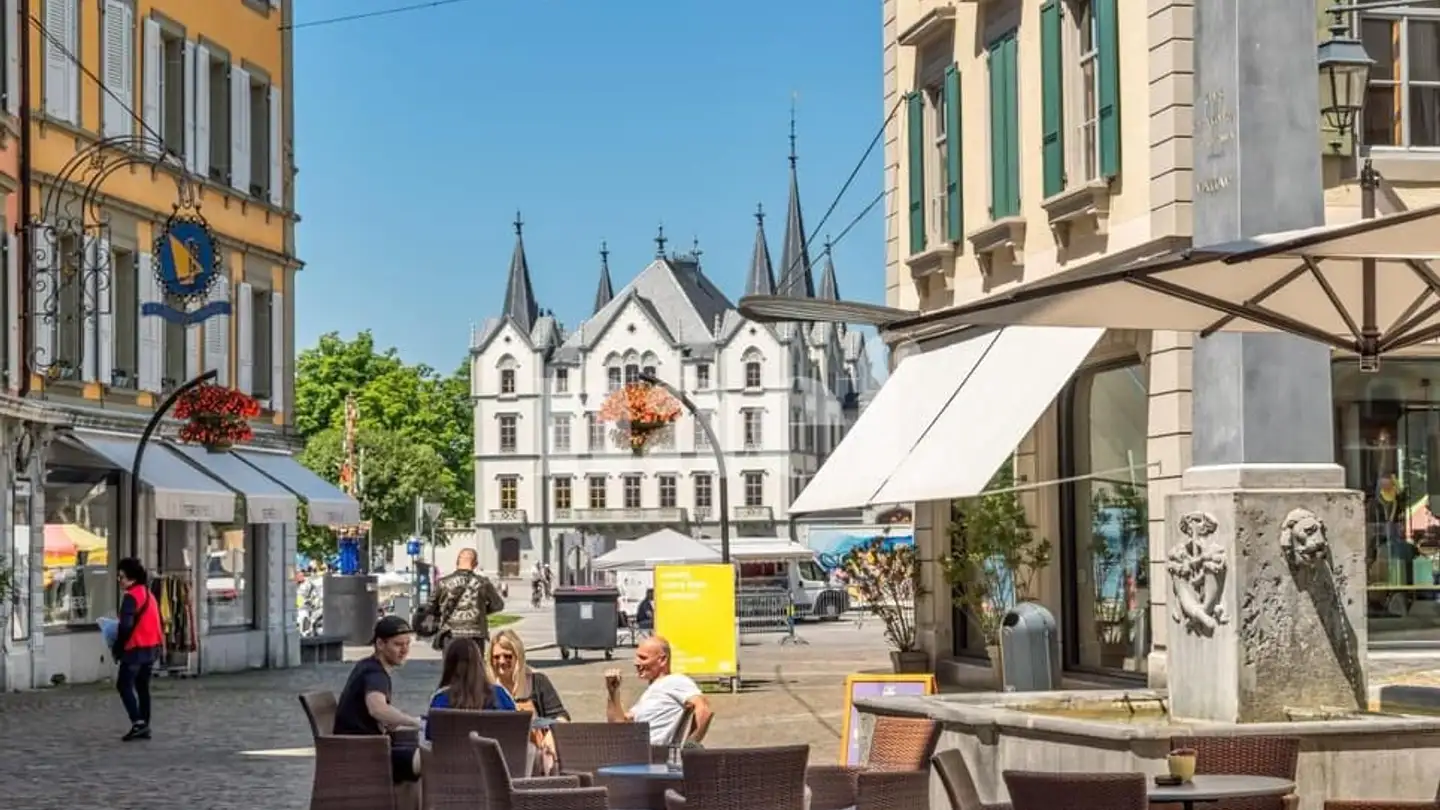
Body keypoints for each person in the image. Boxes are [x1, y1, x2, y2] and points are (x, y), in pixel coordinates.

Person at [333, 616, 424, 783]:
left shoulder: (366, 665)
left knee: (420, 751)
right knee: (430, 760)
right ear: (380, 644)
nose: (404, 650)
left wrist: (391, 721)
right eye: (398, 645)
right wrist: (417, 722)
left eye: (407, 644)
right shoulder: (375, 674)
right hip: (366, 755)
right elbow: (377, 708)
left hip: (359, 749)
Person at [604, 636, 712, 746]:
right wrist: (613, 692)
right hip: (635, 753)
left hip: (653, 756)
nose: (636, 663)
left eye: (643, 658)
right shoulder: (653, 692)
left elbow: (704, 708)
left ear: (662, 660)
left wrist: (691, 745)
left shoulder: (675, 681)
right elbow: (618, 725)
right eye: (637, 657)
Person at [490, 628, 567, 772]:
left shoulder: (537, 681)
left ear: (518, 656)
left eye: (507, 656)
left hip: (536, 752)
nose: (501, 661)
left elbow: (562, 717)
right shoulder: (486, 687)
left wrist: (551, 733)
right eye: (496, 657)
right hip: (500, 752)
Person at [113, 557, 164, 741]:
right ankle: (145, 723)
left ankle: (138, 722)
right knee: (142, 687)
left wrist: (118, 645)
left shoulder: (130, 596)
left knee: (124, 684)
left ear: (131, 578)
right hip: (152, 647)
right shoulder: (148, 595)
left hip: (135, 647)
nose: (119, 581)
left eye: (121, 577)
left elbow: (126, 625)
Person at [426, 637, 515, 741]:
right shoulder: (500, 694)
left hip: (451, 756)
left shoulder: (440, 699)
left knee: (419, 752)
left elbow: (430, 736)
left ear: (449, 665)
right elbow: (515, 729)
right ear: (479, 663)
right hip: (494, 756)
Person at [425, 548, 505, 651]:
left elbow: (430, 607)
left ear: (456, 562)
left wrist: (440, 614)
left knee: (451, 666)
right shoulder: (484, 583)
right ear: (475, 564)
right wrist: (482, 610)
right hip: (475, 635)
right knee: (475, 666)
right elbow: (498, 605)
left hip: (450, 634)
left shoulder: (442, 583)